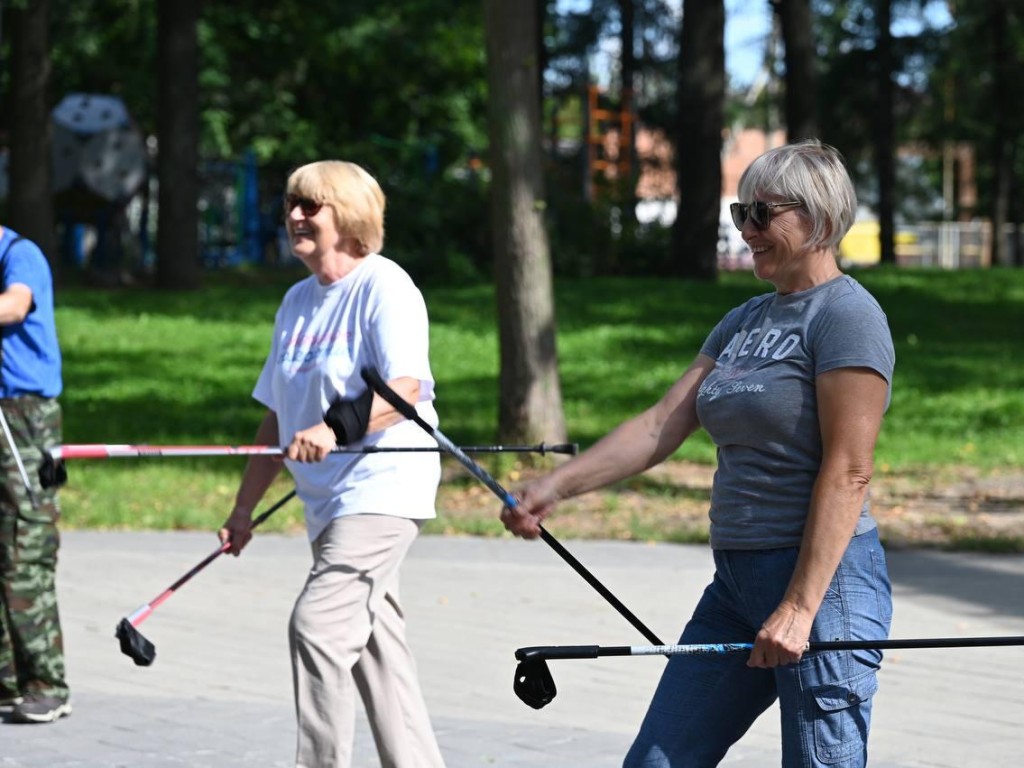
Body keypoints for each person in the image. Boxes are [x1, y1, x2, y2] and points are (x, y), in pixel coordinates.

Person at [500, 140, 896, 768]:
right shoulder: (743, 320)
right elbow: (662, 423)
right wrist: (557, 486)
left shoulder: (847, 316)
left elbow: (849, 469)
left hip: (822, 586)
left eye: (762, 214)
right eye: (741, 214)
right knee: (659, 761)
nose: (747, 229)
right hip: (736, 587)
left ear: (819, 218)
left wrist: (798, 608)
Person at [219, 160, 446, 768]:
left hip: (383, 488)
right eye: (291, 202)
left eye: (311, 205)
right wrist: (243, 510)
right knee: (377, 652)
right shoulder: (296, 302)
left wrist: (334, 428)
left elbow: (406, 390)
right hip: (328, 501)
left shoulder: (384, 286)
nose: (295, 214)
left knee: (317, 628)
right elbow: (276, 414)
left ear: (348, 215)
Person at [0, 225, 70, 724]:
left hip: (26, 416)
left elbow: (13, 307)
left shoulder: (19, 254)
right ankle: (6, 683)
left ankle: (46, 682)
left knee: (26, 548)